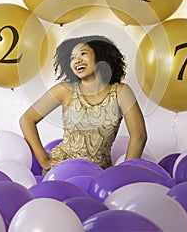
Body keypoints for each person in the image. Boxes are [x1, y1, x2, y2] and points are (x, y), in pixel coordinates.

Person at [20, 35, 147, 174]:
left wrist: (125, 174)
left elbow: (139, 136)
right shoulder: (64, 90)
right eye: (72, 58)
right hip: (63, 168)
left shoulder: (121, 92)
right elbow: (27, 120)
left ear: (100, 57)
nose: (77, 60)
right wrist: (44, 161)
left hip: (99, 172)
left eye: (83, 54)